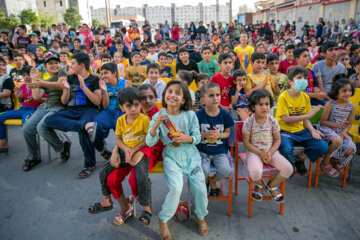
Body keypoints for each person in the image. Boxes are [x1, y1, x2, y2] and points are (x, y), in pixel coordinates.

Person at [146, 80, 209, 239]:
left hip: (191, 156)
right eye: (170, 91)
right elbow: (150, 142)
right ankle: (163, 219)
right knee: (176, 188)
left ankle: (200, 217)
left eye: (178, 93)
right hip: (171, 156)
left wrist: (185, 138)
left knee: (201, 188)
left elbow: (197, 138)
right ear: (164, 95)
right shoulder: (158, 116)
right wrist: (155, 126)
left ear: (184, 99)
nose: (173, 95)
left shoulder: (190, 115)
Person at [89, 86, 153, 226]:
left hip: (139, 152)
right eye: (129, 106)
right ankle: (106, 199)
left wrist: (134, 150)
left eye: (136, 105)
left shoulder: (144, 120)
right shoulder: (120, 121)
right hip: (124, 152)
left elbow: (149, 140)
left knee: (142, 176)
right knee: (103, 172)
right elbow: (118, 139)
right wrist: (123, 150)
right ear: (123, 108)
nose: (133, 109)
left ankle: (147, 207)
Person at [44, 52, 102, 178]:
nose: (70, 65)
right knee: (49, 120)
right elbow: (64, 101)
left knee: (84, 131)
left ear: (81, 65)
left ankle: (89, 164)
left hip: (88, 110)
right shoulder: (70, 79)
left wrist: (83, 86)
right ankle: (84, 126)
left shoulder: (94, 79)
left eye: (73, 63)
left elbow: (97, 102)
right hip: (71, 110)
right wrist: (66, 89)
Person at [243, 89, 293, 203]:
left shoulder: (272, 121)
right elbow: (246, 143)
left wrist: (270, 153)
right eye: (260, 104)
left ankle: (272, 186)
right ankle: (259, 185)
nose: (264, 107)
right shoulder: (249, 122)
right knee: (255, 173)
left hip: (271, 151)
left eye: (267, 104)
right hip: (254, 153)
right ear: (253, 106)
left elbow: (277, 140)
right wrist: (260, 153)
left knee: (288, 169)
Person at [276, 66, 328, 175]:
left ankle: (298, 159)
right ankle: (289, 166)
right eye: (299, 78)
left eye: (305, 78)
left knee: (322, 146)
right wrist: (308, 115)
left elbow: (306, 120)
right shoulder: (283, 97)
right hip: (285, 131)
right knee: (286, 148)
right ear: (290, 81)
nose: (303, 80)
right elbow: (286, 119)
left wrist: (312, 130)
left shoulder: (305, 97)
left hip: (301, 131)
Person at [22, 54, 70, 171]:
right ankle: (34, 157)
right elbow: (37, 96)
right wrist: (34, 78)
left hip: (58, 107)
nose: (55, 65)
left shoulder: (62, 73)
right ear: (45, 67)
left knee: (41, 127)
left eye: (56, 63)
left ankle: (62, 148)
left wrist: (41, 83)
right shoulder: (46, 80)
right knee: (26, 129)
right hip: (45, 106)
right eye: (51, 63)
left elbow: (61, 85)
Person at [196, 82, 234, 197]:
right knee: (203, 170)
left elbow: (228, 133)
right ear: (202, 100)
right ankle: (206, 180)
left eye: (217, 95)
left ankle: (213, 181)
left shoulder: (225, 114)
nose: (215, 98)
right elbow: (194, 134)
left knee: (225, 170)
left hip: (220, 151)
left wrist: (219, 135)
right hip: (202, 151)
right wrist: (204, 134)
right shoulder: (198, 115)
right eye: (211, 95)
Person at [84, 62, 130, 156]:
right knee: (95, 128)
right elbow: (105, 105)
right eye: (101, 74)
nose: (103, 76)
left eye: (106, 73)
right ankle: (102, 149)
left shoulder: (125, 83)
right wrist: (104, 91)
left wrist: (127, 91)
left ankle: (123, 152)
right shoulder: (102, 85)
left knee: (125, 130)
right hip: (107, 111)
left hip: (122, 111)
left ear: (114, 73)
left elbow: (129, 102)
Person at [318, 77, 356, 177]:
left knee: (350, 149)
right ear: (336, 93)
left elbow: (349, 123)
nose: (348, 93)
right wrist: (337, 125)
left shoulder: (351, 106)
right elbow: (323, 122)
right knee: (337, 140)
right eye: (344, 91)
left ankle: (334, 159)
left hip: (342, 130)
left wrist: (344, 131)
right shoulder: (330, 104)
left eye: (349, 90)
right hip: (328, 128)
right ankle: (325, 162)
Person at [0, 65, 42, 152]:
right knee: (1, 116)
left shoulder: (39, 85)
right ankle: (3, 142)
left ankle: (32, 151)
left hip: (34, 111)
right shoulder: (23, 86)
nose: (26, 77)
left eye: (28, 74)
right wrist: (19, 97)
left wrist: (35, 98)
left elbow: (44, 99)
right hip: (22, 109)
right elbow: (22, 100)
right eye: (24, 75)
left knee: (27, 124)